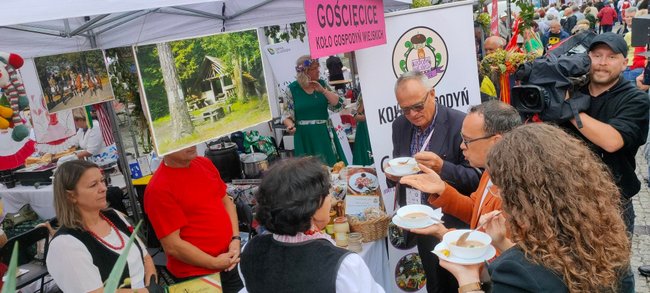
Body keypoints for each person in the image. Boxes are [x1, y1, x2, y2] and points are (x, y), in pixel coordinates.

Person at [440, 123, 631, 293]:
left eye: (502, 189)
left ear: (521, 197)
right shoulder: (608, 246)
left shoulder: (516, 272)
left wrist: (467, 279)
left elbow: (531, 272)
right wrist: (502, 244)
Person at [561, 32, 649, 292]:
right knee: (572, 267)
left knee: (615, 272)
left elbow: (611, 141)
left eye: (611, 57)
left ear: (625, 63)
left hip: (613, 204)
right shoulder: (572, 90)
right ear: (587, 58)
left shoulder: (635, 99)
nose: (602, 62)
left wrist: (568, 110)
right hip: (568, 198)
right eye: (597, 55)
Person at [390, 71, 480, 293]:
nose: (412, 114)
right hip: (420, 222)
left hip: (453, 224)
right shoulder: (400, 125)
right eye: (405, 109)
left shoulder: (459, 123)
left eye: (418, 106)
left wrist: (443, 168)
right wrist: (393, 176)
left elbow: (477, 179)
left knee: (459, 284)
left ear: (432, 94)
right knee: (434, 283)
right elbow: (398, 163)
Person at [239, 157, 384, 293]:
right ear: (311, 208)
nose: (331, 198)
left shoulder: (250, 250)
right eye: (328, 193)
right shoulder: (343, 265)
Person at [400, 101, 521, 240]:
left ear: (496, 141)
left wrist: (444, 234)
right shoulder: (491, 170)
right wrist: (442, 189)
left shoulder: (515, 191)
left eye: (467, 140)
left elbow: (495, 254)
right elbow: (475, 212)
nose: (462, 145)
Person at [47, 160, 162, 292]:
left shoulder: (114, 216)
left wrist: (151, 284)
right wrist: (147, 291)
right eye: (93, 185)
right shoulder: (65, 245)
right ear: (71, 196)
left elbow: (145, 257)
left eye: (102, 181)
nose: (103, 188)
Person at [144, 146, 243, 292]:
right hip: (197, 276)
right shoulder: (158, 189)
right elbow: (173, 246)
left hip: (230, 261)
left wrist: (235, 239)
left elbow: (227, 203)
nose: (191, 145)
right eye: (181, 143)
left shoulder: (204, 163)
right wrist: (214, 263)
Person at [282, 55, 346, 166]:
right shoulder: (292, 89)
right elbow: (286, 115)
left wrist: (323, 91)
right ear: (305, 71)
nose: (318, 71)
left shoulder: (322, 84)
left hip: (323, 134)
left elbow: (338, 105)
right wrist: (290, 126)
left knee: (330, 167)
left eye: (318, 68)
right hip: (304, 136)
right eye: (314, 68)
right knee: (307, 172)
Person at [352, 95, 374, 166]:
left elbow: (357, 112)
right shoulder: (363, 93)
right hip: (364, 127)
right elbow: (356, 113)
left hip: (368, 127)